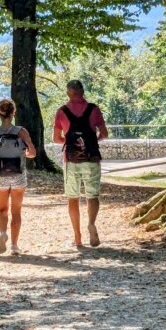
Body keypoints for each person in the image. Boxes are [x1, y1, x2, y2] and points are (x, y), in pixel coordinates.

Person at [52, 80, 108, 248]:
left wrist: (68, 141)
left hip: (71, 159)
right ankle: (91, 223)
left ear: (68, 93)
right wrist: (91, 141)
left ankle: (77, 237)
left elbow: (55, 138)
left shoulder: (62, 111)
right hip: (91, 158)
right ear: (82, 91)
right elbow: (104, 134)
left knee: (73, 198)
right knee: (92, 195)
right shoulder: (94, 109)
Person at [0, 98, 36, 255]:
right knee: (16, 211)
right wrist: (24, 153)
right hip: (18, 176)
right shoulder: (21, 131)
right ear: (14, 113)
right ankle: (14, 245)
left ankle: (2, 233)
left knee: (2, 209)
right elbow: (33, 153)